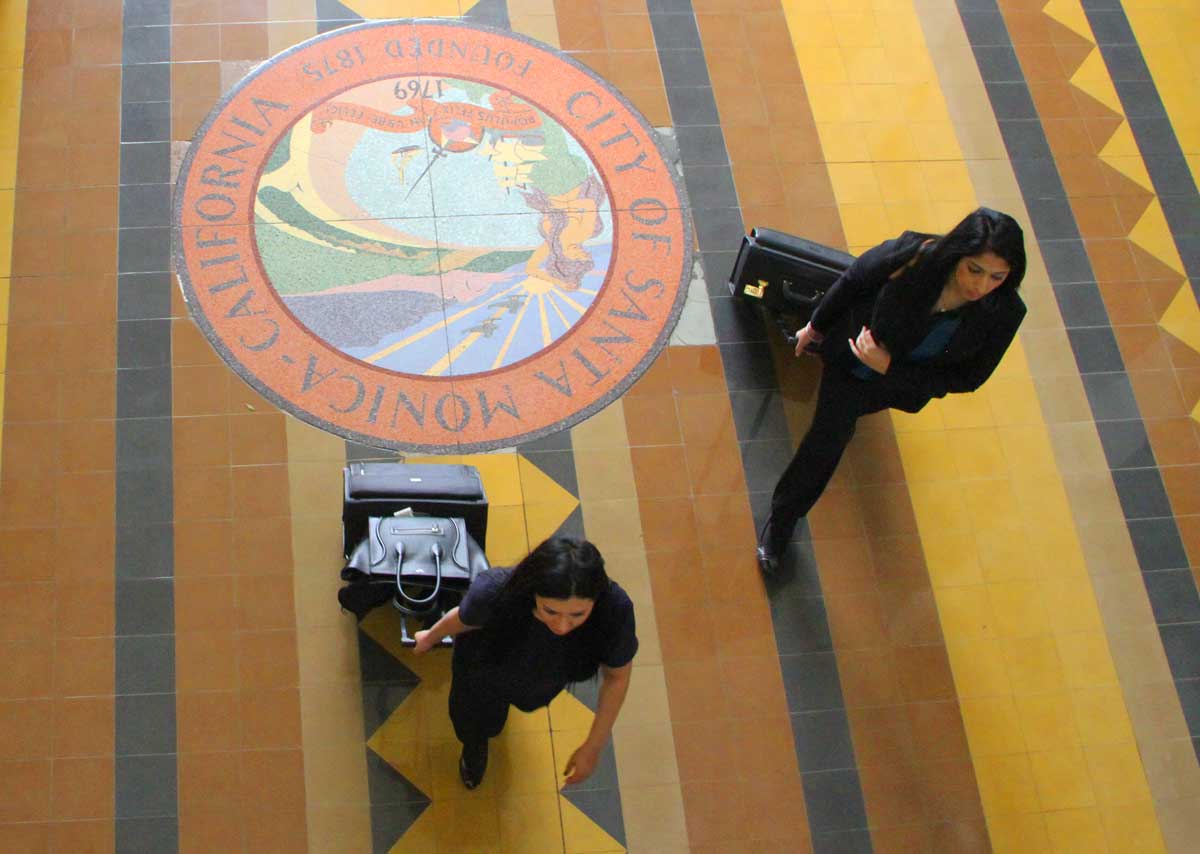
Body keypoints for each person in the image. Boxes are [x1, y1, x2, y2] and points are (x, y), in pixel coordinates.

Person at [757, 207, 1028, 573]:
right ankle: (783, 520)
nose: (980, 286)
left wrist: (890, 369)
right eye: (974, 269)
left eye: (997, 277)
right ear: (957, 253)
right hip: (850, 363)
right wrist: (816, 326)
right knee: (824, 445)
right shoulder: (916, 254)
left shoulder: (1005, 312)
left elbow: (969, 378)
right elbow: (855, 279)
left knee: (841, 427)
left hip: (900, 385)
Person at [413, 536, 637, 790]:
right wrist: (430, 637)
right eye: (550, 611)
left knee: (509, 708)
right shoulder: (495, 591)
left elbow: (617, 677)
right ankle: (474, 747)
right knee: (473, 722)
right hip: (483, 665)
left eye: (577, 615)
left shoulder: (614, 611)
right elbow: (465, 619)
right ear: (533, 591)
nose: (562, 626)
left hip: (540, 679)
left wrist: (592, 748)